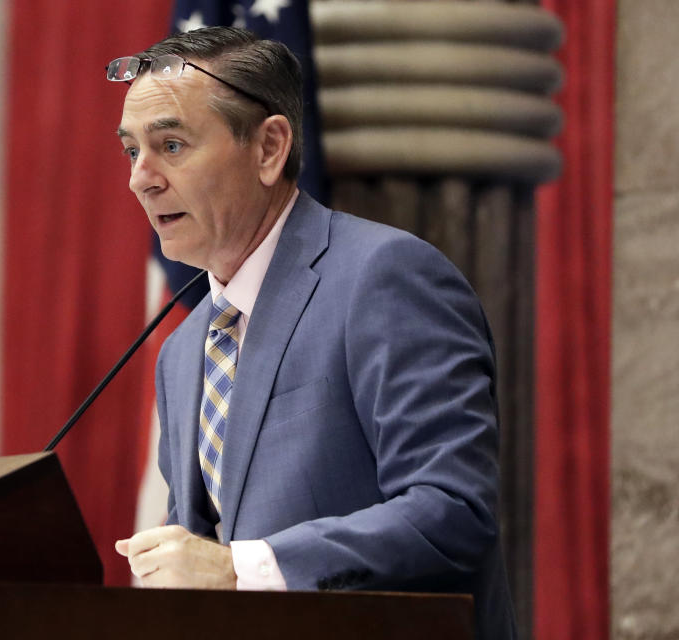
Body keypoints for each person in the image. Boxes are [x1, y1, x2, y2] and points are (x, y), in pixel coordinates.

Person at [110, 27, 516, 640]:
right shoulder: (182, 351)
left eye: (171, 144)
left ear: (269, 148)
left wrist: (241, 570)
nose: (142, 177)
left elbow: (452, 511)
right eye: (131, 151)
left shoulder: (382, 278)